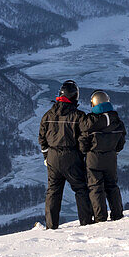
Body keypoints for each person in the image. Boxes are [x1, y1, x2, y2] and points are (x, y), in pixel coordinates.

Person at [38, 80, 94, 229]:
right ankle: (86, 222)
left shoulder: (48, 115)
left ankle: (51, 226)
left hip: (52, 156)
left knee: (53, 191)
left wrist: (46, 155)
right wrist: (82, 153)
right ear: (74, 96)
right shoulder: (79, 116)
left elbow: (42, 138)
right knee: (81, 189)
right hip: (71, 156)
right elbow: (85, 136)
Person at [79, 90, 127, 222]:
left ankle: (100, 217)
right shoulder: (116, 121)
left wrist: (86, 152)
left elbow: (83, 143)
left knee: (96, 187)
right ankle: (117, 214)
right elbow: (121, 141)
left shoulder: (89, 122)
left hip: (94, 158)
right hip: (111, 158)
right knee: (112, 186)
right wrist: (114, 151)